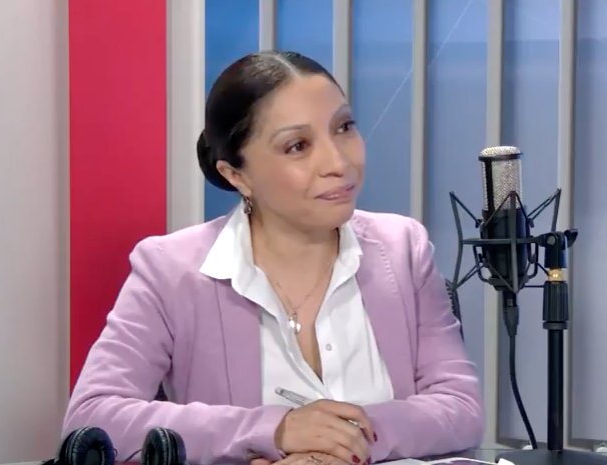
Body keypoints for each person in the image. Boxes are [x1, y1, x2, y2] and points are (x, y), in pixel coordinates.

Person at [62, 50, 483, 465]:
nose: (338, 162)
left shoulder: (402, 248)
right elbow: (92, 417)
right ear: (236, 175)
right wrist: (275, 431)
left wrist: (345, 441)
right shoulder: (169, 269)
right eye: (298, 146)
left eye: (344, 127)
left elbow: (460, 406)